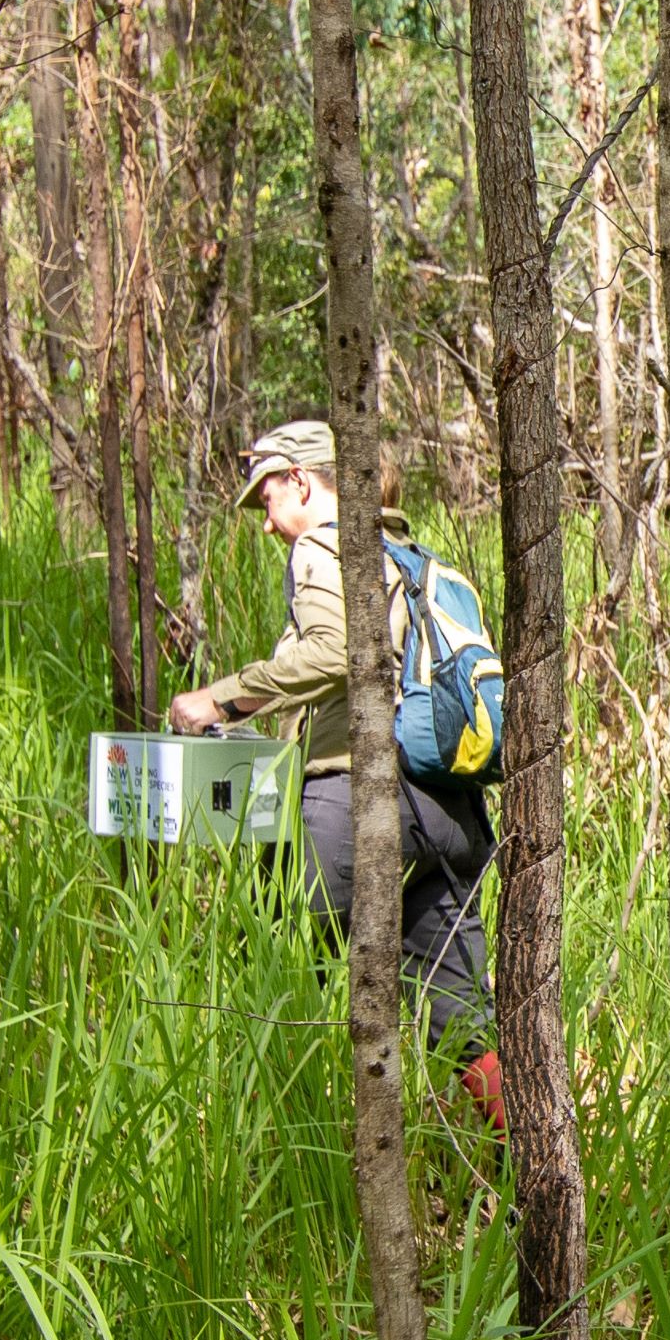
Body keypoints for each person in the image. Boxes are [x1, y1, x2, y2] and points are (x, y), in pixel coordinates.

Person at [167, 420, 504, 1129]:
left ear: (300, 481)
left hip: (354, 806)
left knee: (275, 988)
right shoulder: (411, 559)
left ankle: (267, 1168)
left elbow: (333, 651)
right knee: (466, 1023)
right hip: (447, 811)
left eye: (265, 498)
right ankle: (530, 1169)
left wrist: (221, 698)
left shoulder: (325, 546)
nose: (266, 524)